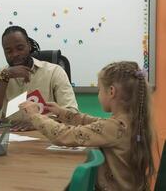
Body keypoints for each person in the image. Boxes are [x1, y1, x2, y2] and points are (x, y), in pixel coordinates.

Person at [20, 61, 155, 191]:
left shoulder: (114, 127)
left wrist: (35, 115)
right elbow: (92, 122)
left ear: (111, 92)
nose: (98, 94)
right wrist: (62, 113)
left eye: (99, 89)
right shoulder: (128, 121)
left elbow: (62, 135)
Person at [0, 25, 78, 131]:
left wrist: (39, 123)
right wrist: (5, 77)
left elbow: (72, 114)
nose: (15, 54)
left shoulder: (54, 72)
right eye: (9, 51)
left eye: (20, 48)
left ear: (29, 46)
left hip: (46, 138)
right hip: (10, 139)